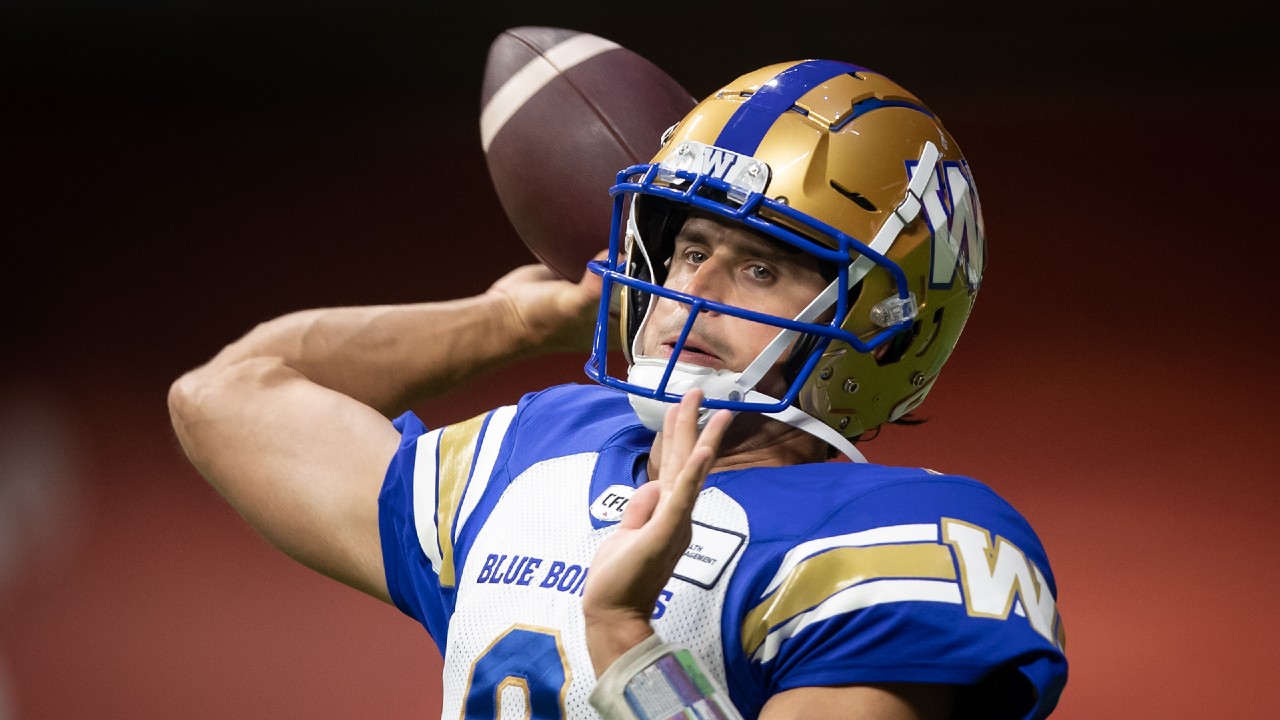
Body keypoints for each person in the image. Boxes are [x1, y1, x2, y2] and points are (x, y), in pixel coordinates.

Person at [169, 58, 1067, 719]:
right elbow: (229, 396)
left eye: (761, 271)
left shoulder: (902, 542)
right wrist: (514, 323)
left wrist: (625, 635)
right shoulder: (538, 451)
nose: (693, 295)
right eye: (687, 250)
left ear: (887, 323)